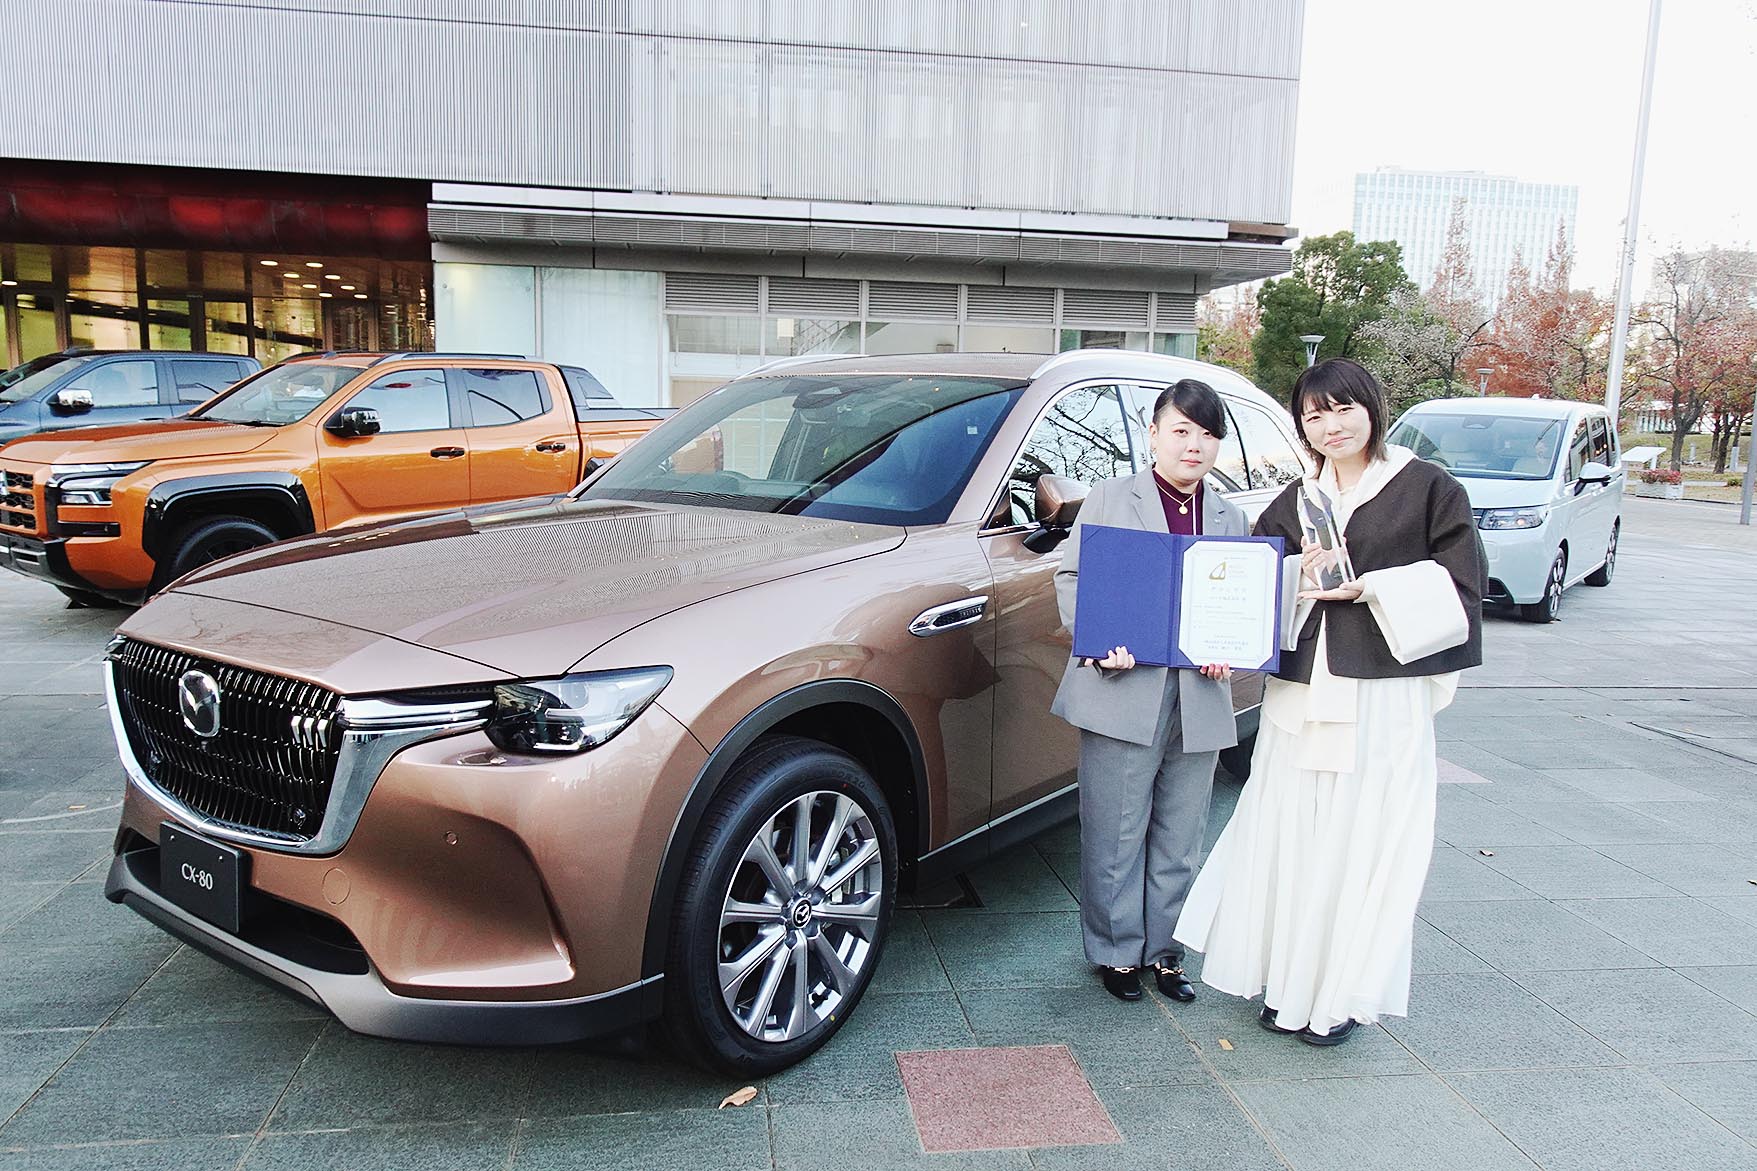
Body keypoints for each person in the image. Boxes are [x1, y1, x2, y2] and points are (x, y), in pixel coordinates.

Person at [1173, 358, 1487, 1045]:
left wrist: (1370, 585)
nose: (1331, 426)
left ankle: (1337, 995)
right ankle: (1285, 983)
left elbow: (1461, 589)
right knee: (1291, 832)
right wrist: (1296, 576)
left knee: (1361, 837)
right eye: (1314, 415)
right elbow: (1253, 581)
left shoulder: (1427, 488)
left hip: (1381, 696)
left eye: (1343, 409)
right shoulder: (1296, 499)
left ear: (1372, 408)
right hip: (1302, 690)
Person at [1050, 379, 1248, 1003]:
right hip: (1123, 683)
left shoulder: (1230, 515)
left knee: (1181, 834)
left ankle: (1165, 952)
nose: (1194, 445)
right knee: (1115, 829)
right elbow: (1073, 577)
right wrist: (1097, 638)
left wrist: (1232, 649)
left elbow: (1239, 602)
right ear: (1154, 433)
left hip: (1200, 693)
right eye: (1182, 430)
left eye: (1208, 434)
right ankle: (1116, 951)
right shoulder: (1111, 498)